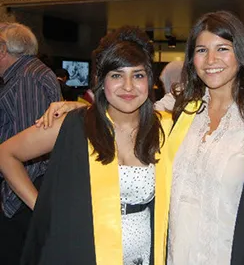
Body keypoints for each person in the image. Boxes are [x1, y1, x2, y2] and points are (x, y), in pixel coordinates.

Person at [37, 11, 244, 265]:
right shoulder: (181, 107)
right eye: (201, 50)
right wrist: (81, 109)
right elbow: (128, 107)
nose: (210, 59)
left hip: (229, 251)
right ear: (191, 60)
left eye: (222, 48)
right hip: (174, 251)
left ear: (240, 54)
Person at [0, 26, 173, 265]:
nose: (128, 86)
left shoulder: (164, 129)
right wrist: (43, 208)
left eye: (138, 75)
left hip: (143, 253)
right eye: (116, 75)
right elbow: (6, 154)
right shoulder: (74, 126)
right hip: (84, 249)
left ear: (150, 80)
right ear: (101, 81)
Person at [0, 22, 61, 265]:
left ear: (2, 50)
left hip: (21, 196)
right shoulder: (30, 74)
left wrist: (8, 203)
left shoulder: (27, 80)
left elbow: (29, 153)